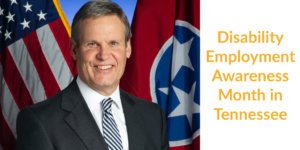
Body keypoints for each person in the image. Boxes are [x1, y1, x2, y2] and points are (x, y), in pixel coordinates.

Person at [16, 1, 169, 150]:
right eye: (92, 44)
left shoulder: (153, 116)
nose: (103, 55)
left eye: (113, 43)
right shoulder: (40, 121)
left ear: (128, 48)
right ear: (74, 50)